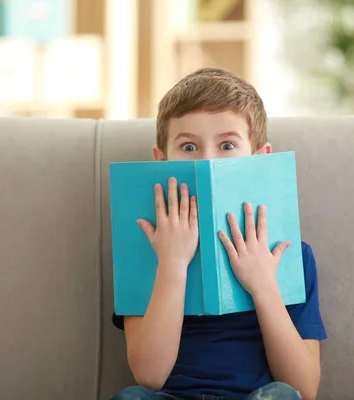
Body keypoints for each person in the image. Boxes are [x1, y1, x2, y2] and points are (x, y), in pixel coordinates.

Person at [111, 67, 327, 400]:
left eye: (227, 145)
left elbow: (303, 388)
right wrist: (172, 264)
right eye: (188, 147)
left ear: (259, 159)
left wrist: (264, 285)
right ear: (161, 160)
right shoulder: (141, 251)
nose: (208, 161)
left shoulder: (290, 254)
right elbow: (149, 376)